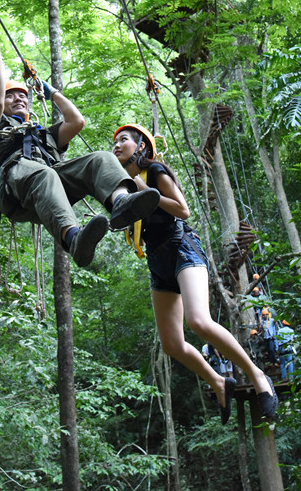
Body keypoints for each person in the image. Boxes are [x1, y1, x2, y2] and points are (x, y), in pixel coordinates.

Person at [112, 123, 278, 423]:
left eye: (123, 140)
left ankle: (258, 376)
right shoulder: (122, 184)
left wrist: (145, 192)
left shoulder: (156, 172)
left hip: (181, 247)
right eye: (115, 142)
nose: (117, 145)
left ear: (141, 148)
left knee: (199, 320)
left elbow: (183, 210)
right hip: (157, 260)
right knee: (171, 344)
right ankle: (217, 381)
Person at [0, 25, 160, 267]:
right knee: (45, 174)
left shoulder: (42, 134)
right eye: (12, 96)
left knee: (101, 159)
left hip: (49, 188)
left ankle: (121, 203)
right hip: (13, 189)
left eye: (23, 96)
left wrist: (52, 93)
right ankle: (74, 239)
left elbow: (76, 122)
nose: (19, 98)